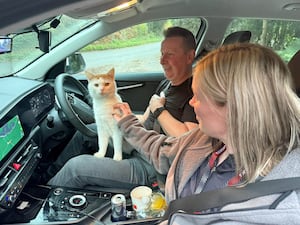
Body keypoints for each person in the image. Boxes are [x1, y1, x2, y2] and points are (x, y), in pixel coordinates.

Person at [112, 42, 300, 224]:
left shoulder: (279, 205)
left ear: (233, 108)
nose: (192, 102)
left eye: (198, 97)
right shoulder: (204, 138)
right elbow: (163, 151)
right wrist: (128, 122)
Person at [47, 26, 198, 189]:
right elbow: (147, 118)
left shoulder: (195, 92)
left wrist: (159, 110)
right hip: (139, 142)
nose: (162, 61)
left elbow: (190, 139)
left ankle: (42, 198)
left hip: (153, 165)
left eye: (170, 54)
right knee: (86, 132)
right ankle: (50, 176)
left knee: (76, 168)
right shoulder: (167, 84)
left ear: (189, 56)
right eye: (162, 54)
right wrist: (124, 117)